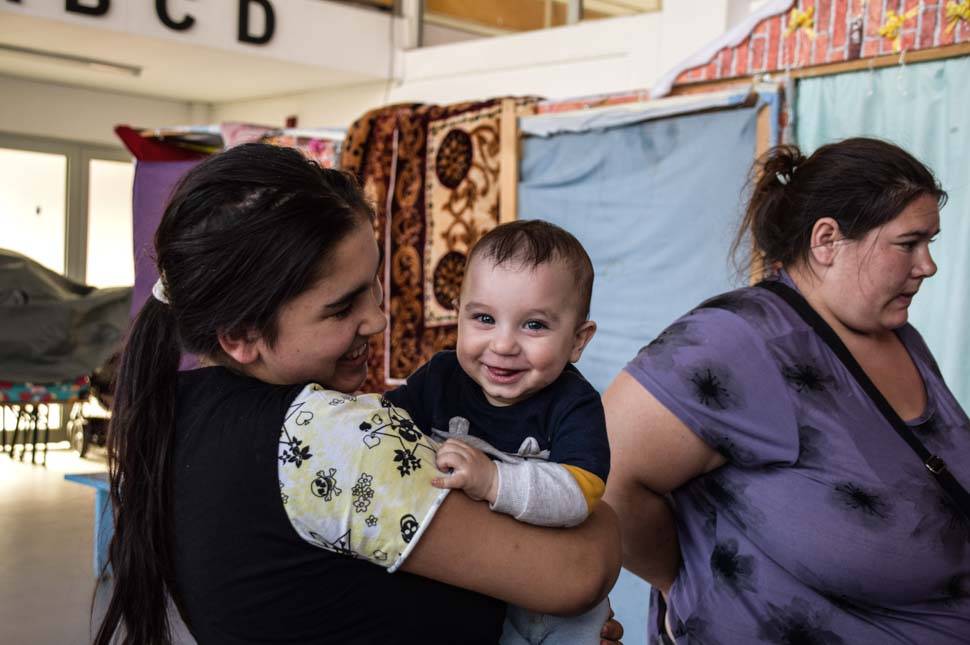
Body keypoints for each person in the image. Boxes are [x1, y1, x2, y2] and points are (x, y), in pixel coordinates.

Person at [92, 144, 624, 645]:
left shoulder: (174, 407)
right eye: (343, 307)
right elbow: (575, 575)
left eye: (374, 286)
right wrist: (598, 519)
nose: (378, 319)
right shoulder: (328, 438)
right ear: (240, 334)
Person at [602, 137, 970, 644]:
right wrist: (685, 583)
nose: (928, 265)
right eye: (908, 244)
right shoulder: (740, 340)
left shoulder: (901, 338)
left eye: (930, 243)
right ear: (827, 241)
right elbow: (606, 472)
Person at [384, 220, 611, 644]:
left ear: (578, 340)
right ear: (458, 316)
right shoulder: (440, 378)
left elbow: (581, 494)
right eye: (485, 318)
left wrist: (493, 481)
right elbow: (384, 428)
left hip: (548, 602)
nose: (503, 345)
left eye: (534, 325)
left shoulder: (574, 403)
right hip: (467, 588)